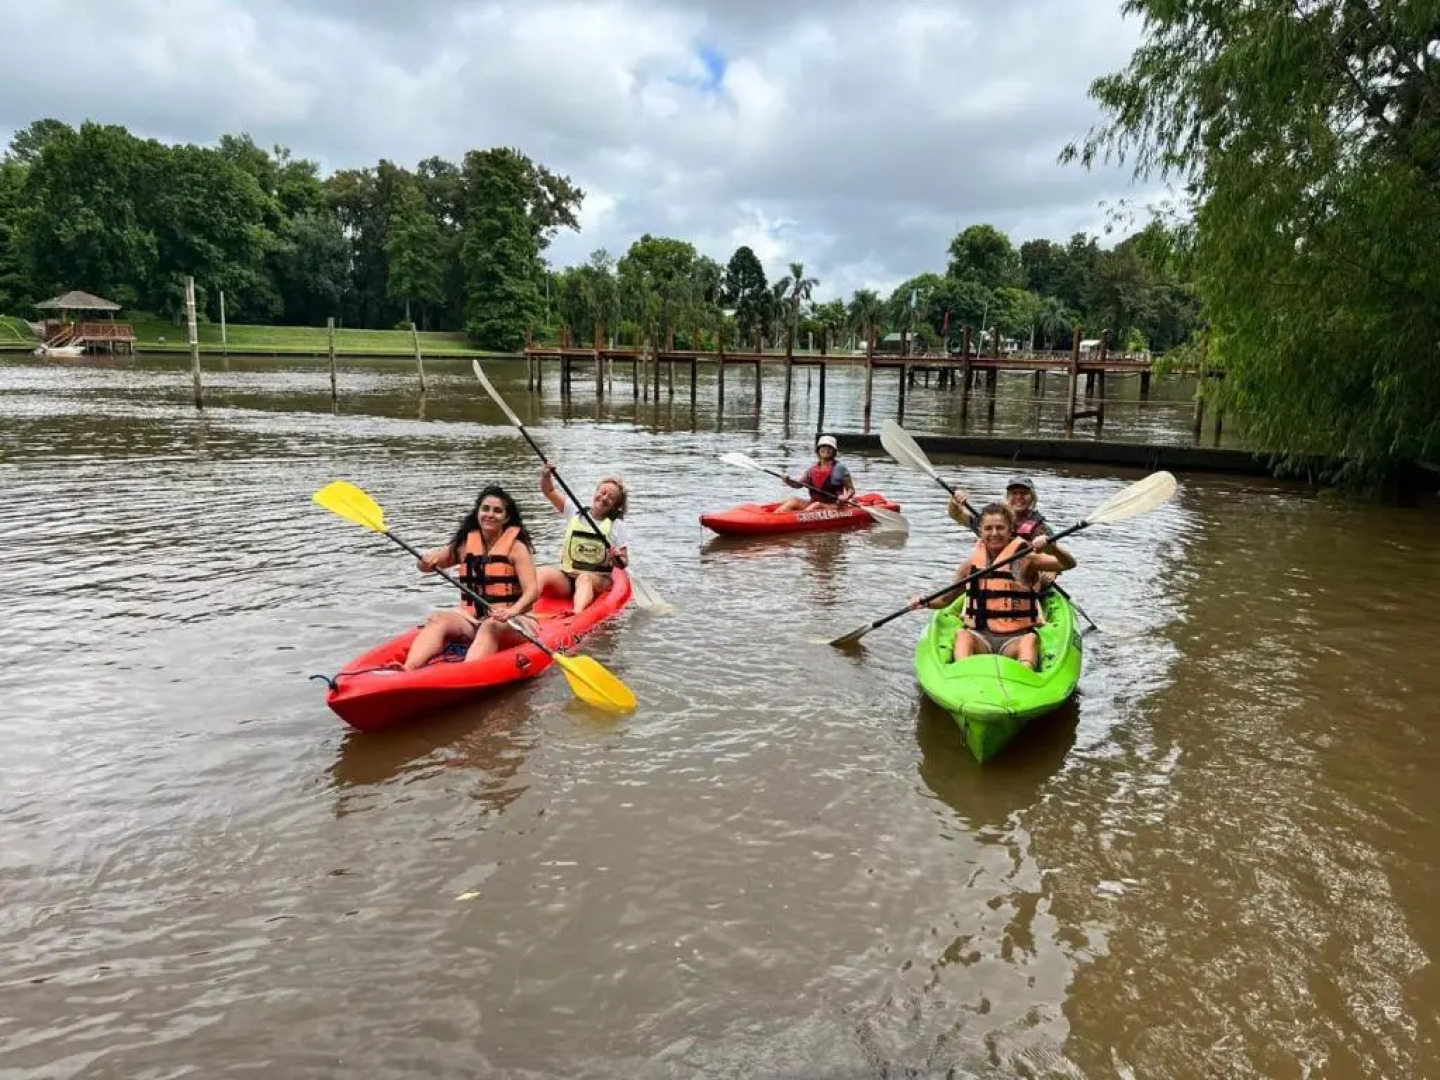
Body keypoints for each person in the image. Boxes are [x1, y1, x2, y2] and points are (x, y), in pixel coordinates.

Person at [908, 502, 1076, 670]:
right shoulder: (969, 566)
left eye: (1000, 528)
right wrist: (924, 602)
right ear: (980, 531)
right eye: (988, 528)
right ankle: (963, 673)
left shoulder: (1025, 560)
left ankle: (1024, 674)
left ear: (1010, 530)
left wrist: (1053, 548)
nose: (994, 533)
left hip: (1016, 639)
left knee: (1029, 640)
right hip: (980, 637)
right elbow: (945, 600)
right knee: (963, 635)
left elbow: (1068, 564)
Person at [403, 485, 541, 669]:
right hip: (474, 620)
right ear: (478, 513)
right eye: (485, 509)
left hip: (515, 622)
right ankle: (408, 670)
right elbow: (426, 567)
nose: (490, 514)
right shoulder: (464, 546)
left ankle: (464, 674)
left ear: (506, 518)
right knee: (438, 618)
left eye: (497, 511)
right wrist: (424, 562)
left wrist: (511, 611)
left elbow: (532, 592)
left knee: (490, 626)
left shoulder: (517, 548)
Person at [534, 464, 630, 614]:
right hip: (568, 578)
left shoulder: (617, 525)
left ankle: (576, 613)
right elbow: (549, 491)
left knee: (584, 578)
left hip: (596, 581)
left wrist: (617, 557)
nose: (604, 498)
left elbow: (623, 562)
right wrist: (546, 475)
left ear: (615, 506)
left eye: (610, 498)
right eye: (603, 492)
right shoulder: (574, 511)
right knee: (541, 572)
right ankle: (522, 607)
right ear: (596, 492)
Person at [948, 475, 1071, 590]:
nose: (1018, 497)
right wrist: (954, 502)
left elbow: (1056, 558)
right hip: (992, 578)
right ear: (1007, 497)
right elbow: (957, 515)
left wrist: (1052, 572)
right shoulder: (993, 522)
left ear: (1032, 497)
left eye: (1024, 493)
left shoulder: (1041, 529)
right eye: (1014, 493)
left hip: (1026, 578)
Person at [772, 434, 856, 513]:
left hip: (833, 506)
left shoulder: (840, 468)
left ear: (834, 451)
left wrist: (846, 497)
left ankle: (796, 520)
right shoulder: (812, 469)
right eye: (823, 446)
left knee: (817, 505)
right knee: (794, 500)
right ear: (818, 450)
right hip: (813, 503)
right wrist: (787, 480)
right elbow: (798, 485)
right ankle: (773, 517)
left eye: (829, 447)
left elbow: (851, 490)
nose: (826, 449)